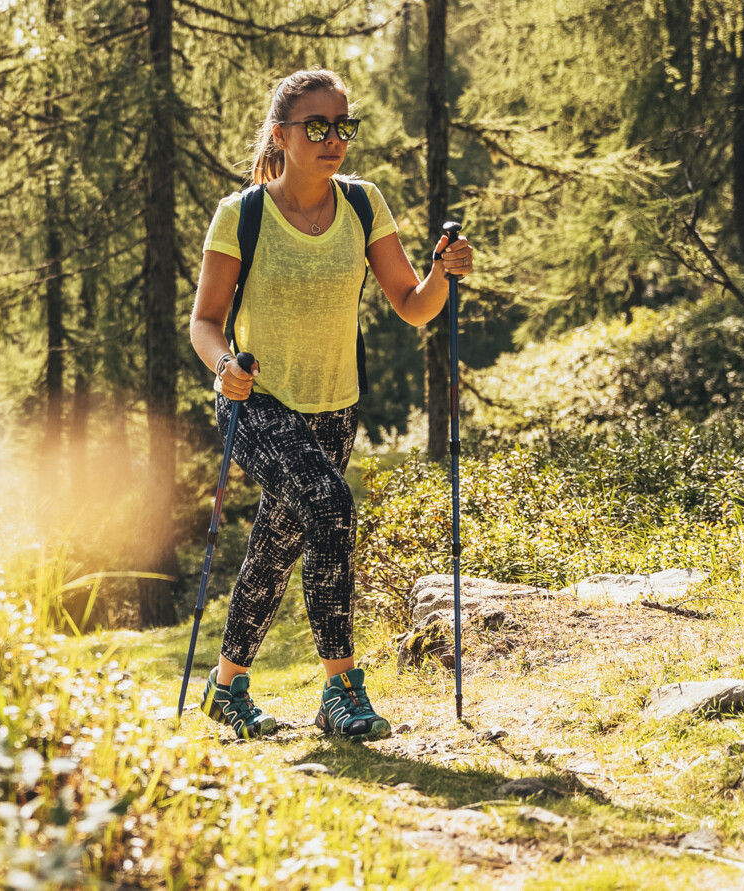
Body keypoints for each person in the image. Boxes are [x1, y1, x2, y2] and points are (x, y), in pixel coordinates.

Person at [188, 69, 474, 741]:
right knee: (331, 505)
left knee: (277, 544)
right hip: (254, 399)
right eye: (317, 127)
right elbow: (203, 322)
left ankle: (226, 686)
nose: (333, 139)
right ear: (282, 135)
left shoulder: (363, 204)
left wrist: (443, 272)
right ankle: (340, 689)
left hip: (333, 409)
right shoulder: (243, 214)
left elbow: (413, 305)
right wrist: (225, 367)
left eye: (343, 126)